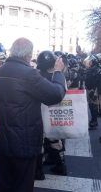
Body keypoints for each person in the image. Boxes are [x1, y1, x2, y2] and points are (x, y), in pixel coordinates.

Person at [0, 38, 66, 192]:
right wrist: (58, 72)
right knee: (23, 184)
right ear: (28, 55)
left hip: (3, 140)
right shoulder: (28, 74)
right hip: (23, 142)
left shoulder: (0, 71)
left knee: (4, 182)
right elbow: (55, 95)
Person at [35, 50, 67, 180]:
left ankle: (38, 172)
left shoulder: (37, 76)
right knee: (54, 139)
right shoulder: (59, 75)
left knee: (39, 141)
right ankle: (60, 165)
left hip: (40, 111)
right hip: (56, 111)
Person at [83, 55, 101, 130]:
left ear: (93, 62)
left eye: (90, 62)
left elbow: (98, 82)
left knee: (94, 105)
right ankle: (93, 120)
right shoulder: (91, 69)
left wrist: (94, 91)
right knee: (91, 105)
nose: (89, 63)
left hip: (93, 90)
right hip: (89, 89)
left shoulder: (96, 69)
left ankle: (94, 121)